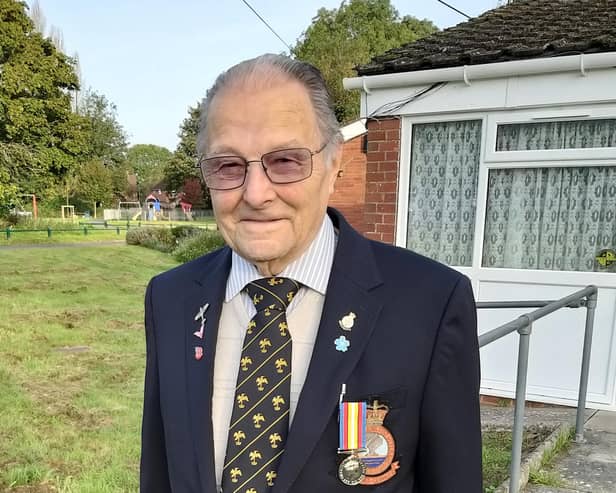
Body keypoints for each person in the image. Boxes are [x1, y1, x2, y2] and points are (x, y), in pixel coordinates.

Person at [140, 54, 482, 492]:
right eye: (228, 166)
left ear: (333, 163)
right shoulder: (171, 298)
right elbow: (159, 473)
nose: (256, 194)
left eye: (285, 161)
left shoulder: (430, 303)